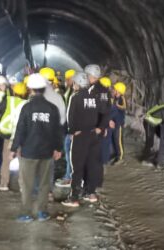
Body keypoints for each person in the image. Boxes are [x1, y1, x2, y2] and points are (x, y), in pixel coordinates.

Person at [11, 73, 62, 222]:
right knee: (45, 184)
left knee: (27, 184)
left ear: (31, 89)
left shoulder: (27, 107)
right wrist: (58, 148)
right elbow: (56, 131)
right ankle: (42, 212)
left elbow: (20, 129)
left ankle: (26, 213)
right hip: (46, 152)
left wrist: (14, 148)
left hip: (29, 152)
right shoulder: (52, 108)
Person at [62, 72, 104, 207]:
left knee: (77, 167)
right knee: (91, 164)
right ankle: (90, 193)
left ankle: (74, 197)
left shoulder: (76, 97)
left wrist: (72, 131)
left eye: (74, 83)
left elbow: (71, 117)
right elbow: (102, 114)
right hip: (93, 135)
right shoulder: (95, 97)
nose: (73, 85)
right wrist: (99, 128)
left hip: (80, 137)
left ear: (78, 83)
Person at [0, 82, 27, 191]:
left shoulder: (8, 100)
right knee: (22, 160)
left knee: (6, 159)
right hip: (22, 136)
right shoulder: (27, 104)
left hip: (8, 133)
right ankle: (23, 185)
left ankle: (4, 183)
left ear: (14, 91)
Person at [85, 64, 111, 189]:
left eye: (86, 75)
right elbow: (107, 112)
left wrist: (100, 128)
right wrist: (103, 127)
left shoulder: (95, 90)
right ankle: (97, 182)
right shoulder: (104, 90)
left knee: (91, 159)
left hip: (94, 129)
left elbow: (104, 112)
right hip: (97, 128)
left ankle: (91, 187)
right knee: (96, 157)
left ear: (91, 76)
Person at [55, 69, 76, 188]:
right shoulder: (69, 91)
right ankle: (69, 176)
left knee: (70, 155)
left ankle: (70, 178)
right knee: (68, 153)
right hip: (67, 128)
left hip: (71, 130)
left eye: (68, 79)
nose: (66, 81)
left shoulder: (74, 93)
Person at [108, 82, 127, 164]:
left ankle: (120, 157)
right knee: (113, 139)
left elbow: (124, 107)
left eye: (115, 89)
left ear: (119, 91)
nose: (113, 90)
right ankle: (115, 154)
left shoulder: (122, 98)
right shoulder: (115, 98)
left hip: (119, 123)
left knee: (118, 140)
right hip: (114, 122)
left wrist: (117, 105)